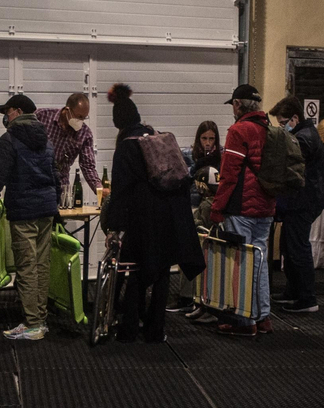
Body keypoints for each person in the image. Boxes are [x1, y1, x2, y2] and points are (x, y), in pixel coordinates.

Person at [102, 93, 204, 342]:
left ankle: (128, 330)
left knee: (138, 270)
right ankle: (155, 330)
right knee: (161, 273)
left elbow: (121, 192)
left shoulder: (126, 146)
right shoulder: (157, 138)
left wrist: (114, 227)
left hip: (143, 220)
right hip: (172, 217)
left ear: (118, 122)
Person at [0, 93, 59, 340]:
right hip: (46, 209)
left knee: (26, 266)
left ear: (17, 111)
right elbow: (56, 174)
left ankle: (32, 325)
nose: (5, 117)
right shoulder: (46, 140)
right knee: (41, 264)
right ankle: (40, 319)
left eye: (6, 112)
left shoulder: (8, 139)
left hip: (23, 210)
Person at [208, 83, 276, 336]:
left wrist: (217, 208)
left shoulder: (238, 131)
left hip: (241, 208)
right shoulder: (268, 129)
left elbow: (229, 174)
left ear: (237, 105)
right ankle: (263, 318)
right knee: (259, 262)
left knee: (241, 265)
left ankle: (244, 322)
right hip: (266, 206)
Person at [269, 98, 324, 313]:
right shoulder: (305, 135)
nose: (281, 127)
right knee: (289, 246)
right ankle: (294, 292)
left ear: (295, 118)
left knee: (297, 248)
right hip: (303, 200)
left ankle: (307, 299)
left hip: (302, 201)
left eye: (283, 122)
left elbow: (289, 166)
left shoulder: (302, 139)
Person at [172, 119, 222, 316]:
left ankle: (204, 299)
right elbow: (183, 179)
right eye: (204, 138)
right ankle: (186, 296)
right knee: (188, 251)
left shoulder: (221, 156)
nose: (207, 143)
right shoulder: (189, 155)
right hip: (192, 205)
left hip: (210, 207)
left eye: (211, 138)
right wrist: (198, 166)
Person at [34, 92, 100, 204]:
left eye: (84, 118)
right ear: (67, 109)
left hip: (60, 187)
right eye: (79, 117)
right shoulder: (42, 116)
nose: (81, 121)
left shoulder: (85, 134)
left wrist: (99, 189)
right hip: (36, 180)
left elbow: (88, 166)